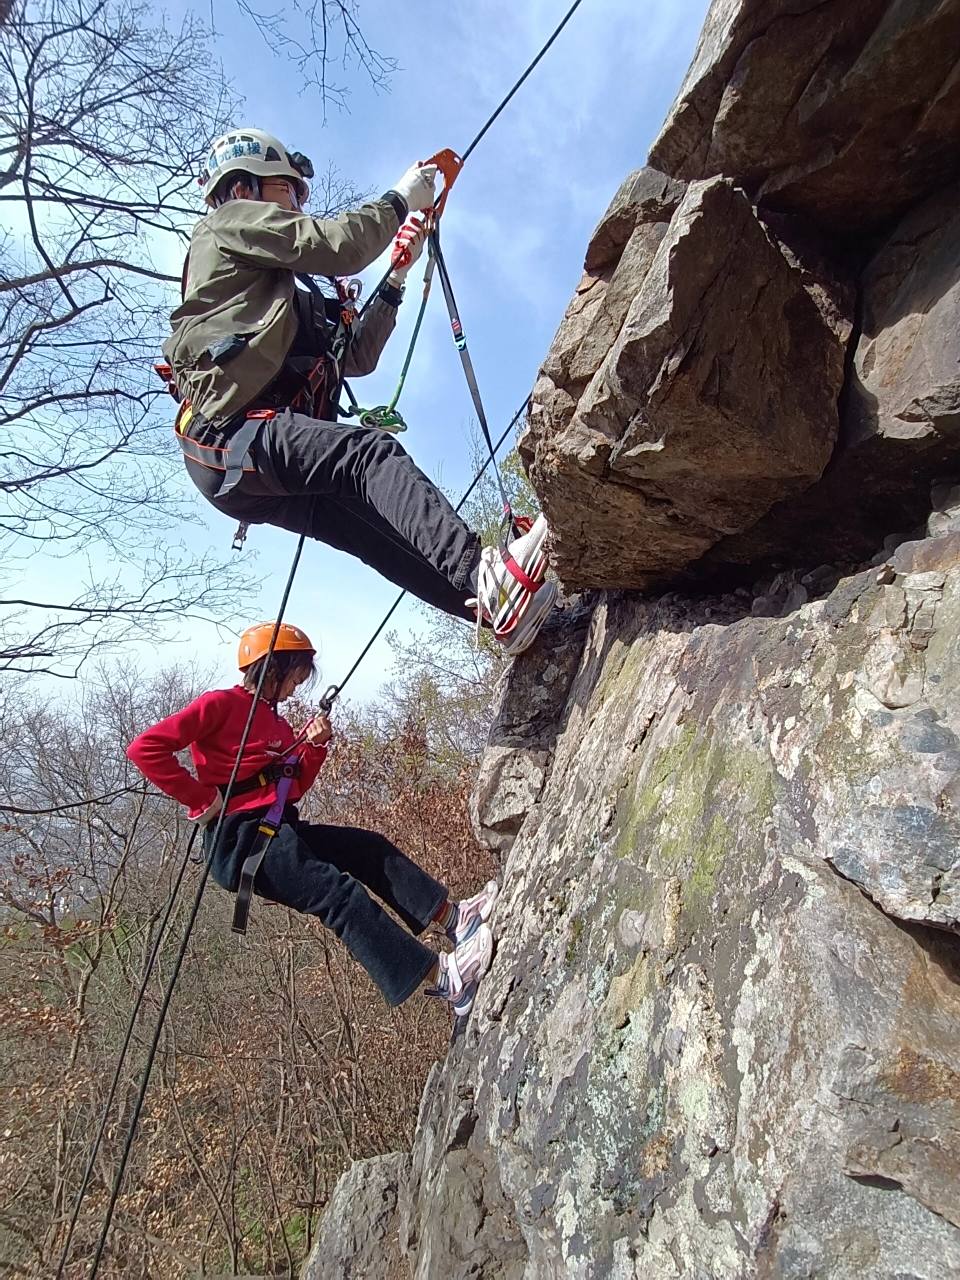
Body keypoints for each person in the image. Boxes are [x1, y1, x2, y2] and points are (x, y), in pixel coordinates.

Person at [163, 127, 556, 657]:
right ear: (244, 188)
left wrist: (394, 280)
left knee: (374, 531)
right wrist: (400, 200)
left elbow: (355, 358)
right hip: (232, 435)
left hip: (237, 457)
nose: (297, 204)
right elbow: (336, 247)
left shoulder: (275, 300)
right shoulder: (225, 223)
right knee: (367, 454)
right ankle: (484, 576)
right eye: (289, 191)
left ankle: (498, 615)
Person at [126, 622, 499, 1015]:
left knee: (366, 849)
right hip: (241, 841)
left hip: (278, 828)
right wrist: (202, 798)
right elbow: (145, 749)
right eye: (294, 678)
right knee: (338, 896)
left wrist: (315, 747)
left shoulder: (279, 725)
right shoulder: (219, 705)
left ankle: (455, 918)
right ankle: (447, 979)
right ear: (271, 669)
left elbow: (295, 788)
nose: (295, 689)